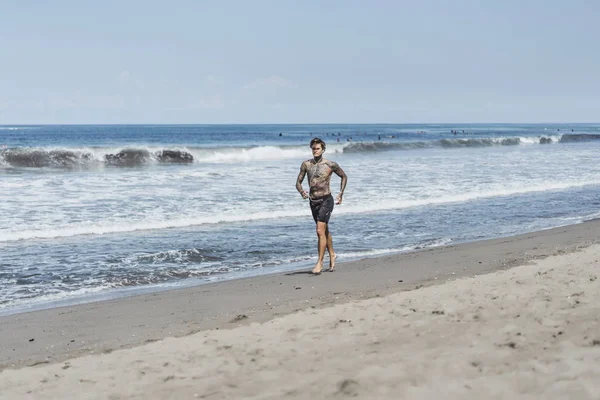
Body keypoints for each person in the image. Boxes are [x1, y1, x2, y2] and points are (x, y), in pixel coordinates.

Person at [296, 138, 347, 274]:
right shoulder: (306, 165)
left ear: (323, 150)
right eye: (313, 148)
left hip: (326, 200)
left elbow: (344, 176)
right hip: (313, 201)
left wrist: (340, 194)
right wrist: (302, 192)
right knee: (324, 231)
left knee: (319, 231)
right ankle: (332, 254)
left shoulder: (330, 164)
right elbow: (298, 182)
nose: (315, 151)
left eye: (318, 148)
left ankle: (319, 263)